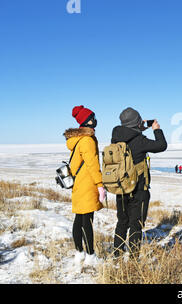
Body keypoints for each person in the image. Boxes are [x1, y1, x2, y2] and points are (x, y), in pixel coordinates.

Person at [111, 107, 167, 259]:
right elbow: (161, 145)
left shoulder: (115, 138)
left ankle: (117, 254)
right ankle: (134, 258)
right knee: (136, 224)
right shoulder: (140, 140)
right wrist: (156, 129)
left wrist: (138, 127)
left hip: (121, 188)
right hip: (138, 189)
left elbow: (129, 135)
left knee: (122, 221)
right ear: (136, 123)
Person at [64, 105, 106, 267]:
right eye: (92, 117)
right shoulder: (87, 140)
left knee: (79, 219)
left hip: (78, 184)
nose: (95, 120)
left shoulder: (77, 139)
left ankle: (79, 253)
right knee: (87, 220)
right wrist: (100, 185)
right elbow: (92, 165)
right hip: (87, 184)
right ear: (86, 121)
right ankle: (90, 255)